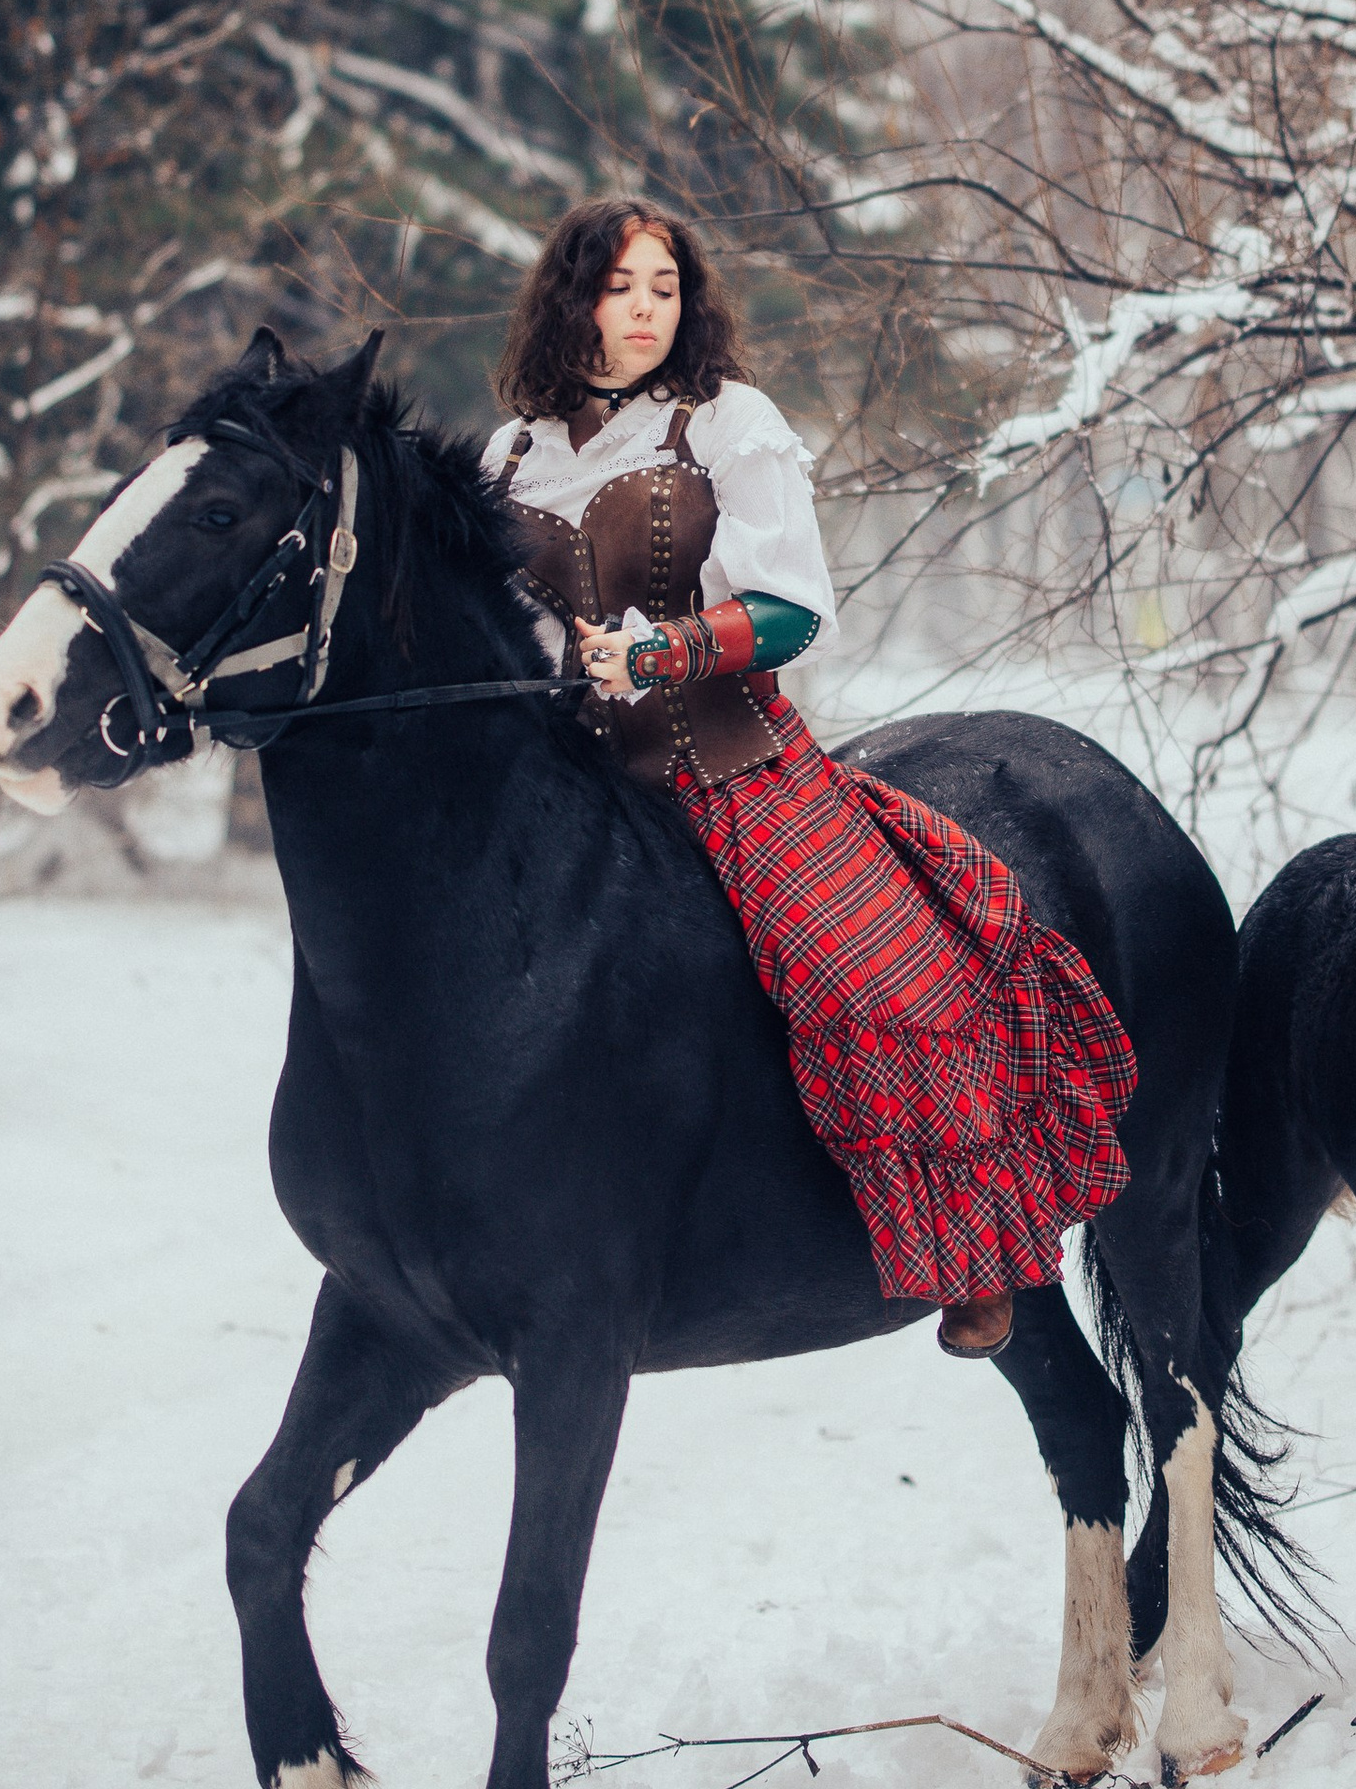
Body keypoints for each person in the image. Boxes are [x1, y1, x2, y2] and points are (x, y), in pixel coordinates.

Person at [483, 198, 1136, 1356]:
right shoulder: (511, 455)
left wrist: (662, 651)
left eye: (664, 287)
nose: (644, 309)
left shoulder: (727, 423)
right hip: (578, 781)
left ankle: (974, 1247)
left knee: (875, 975)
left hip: (733, 768)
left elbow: (793, 611)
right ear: (570, 297)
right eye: (620, 286)